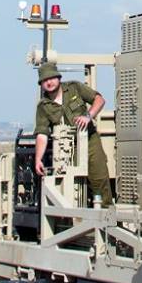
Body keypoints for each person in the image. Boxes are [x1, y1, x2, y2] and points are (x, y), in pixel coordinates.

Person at [32, 60, 111, 206]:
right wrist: (38, 159)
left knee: (99, 177)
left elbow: (99, 100)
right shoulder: (43, 106)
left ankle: (107, 215)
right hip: (66, 149)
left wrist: (88, 116)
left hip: (89, 140)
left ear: (58, 77)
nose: (49, 82)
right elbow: (42, 134)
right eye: (45, 80)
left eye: (51, 78)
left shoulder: (74, 88)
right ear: (41, 84)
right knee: (70, 186)